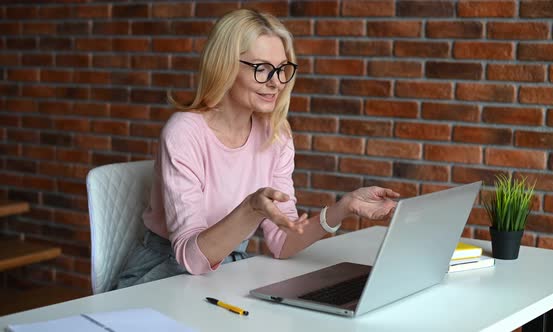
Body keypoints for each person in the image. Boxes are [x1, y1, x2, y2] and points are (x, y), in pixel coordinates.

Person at [117, 8, 399, 289]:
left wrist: (344, 207)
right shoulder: (184, 132)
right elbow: (191, 259)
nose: (276, 82)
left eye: (281, 69)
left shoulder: (276, 134)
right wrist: (252, 208)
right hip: (161, 275)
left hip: (228, 268)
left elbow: (283, 241)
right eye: (262, 69)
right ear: (225, 66)